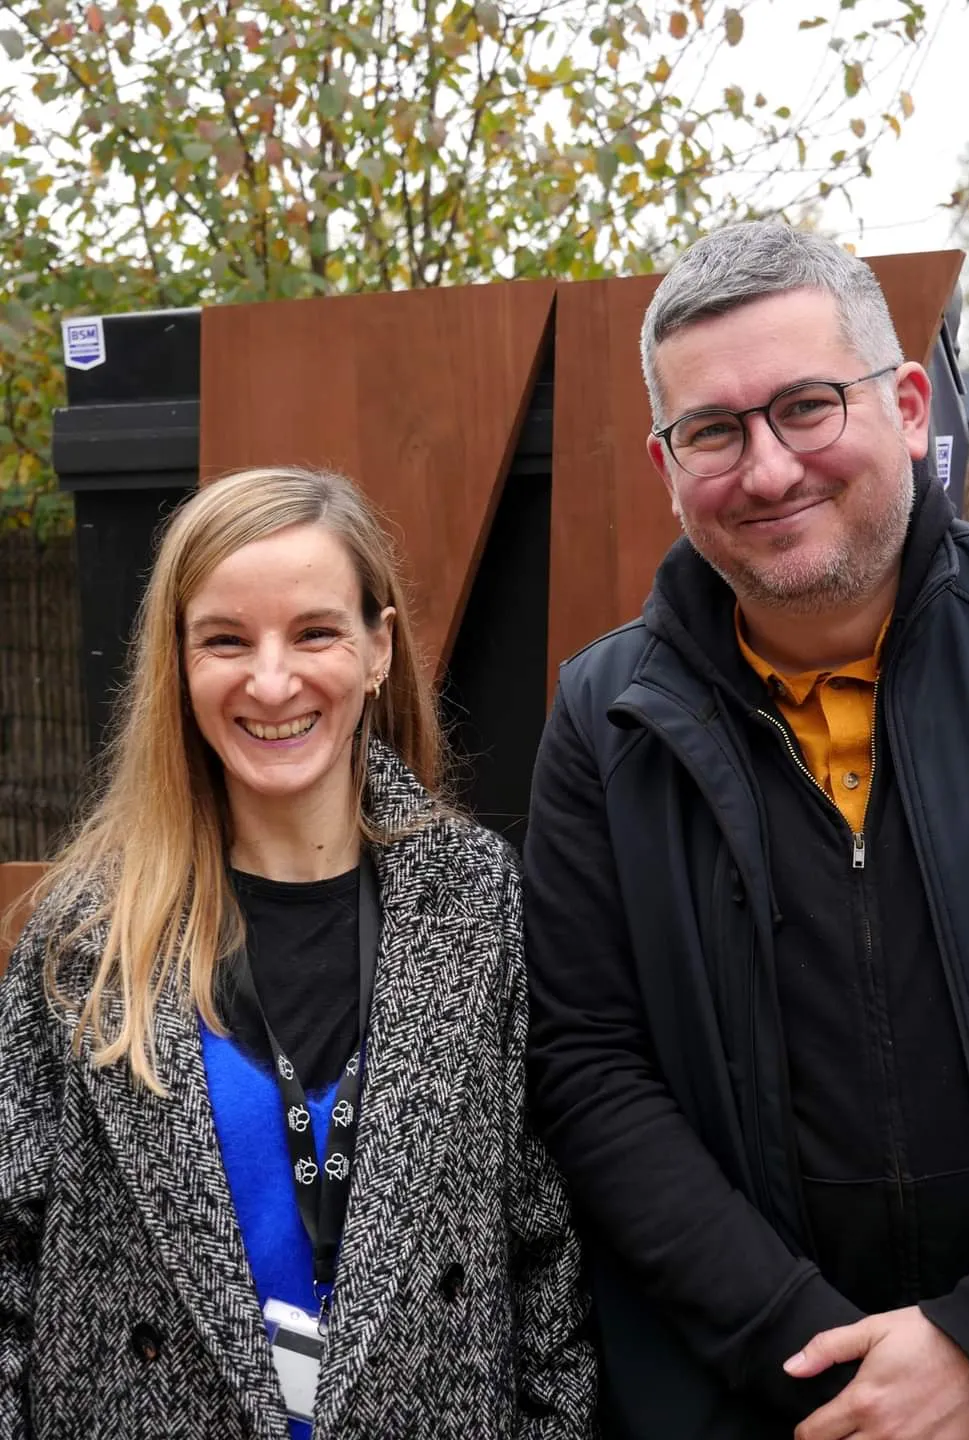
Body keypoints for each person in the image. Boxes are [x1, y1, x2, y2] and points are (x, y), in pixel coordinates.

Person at [523, 222, 969, 1440]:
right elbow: (589, 1073)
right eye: (713, 432)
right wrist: (817, 1365)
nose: (767, 470)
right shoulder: (603, 723)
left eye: (808, 407)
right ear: (669, 466)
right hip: (766, 1404)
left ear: (911, 403)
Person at [0, 466, 595, 1438]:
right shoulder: (85, 937)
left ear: (377, 648)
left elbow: (545, 1260)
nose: (270, 681)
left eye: (314, 632)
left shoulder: (479, 906)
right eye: (225, 640)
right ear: (179, 667)